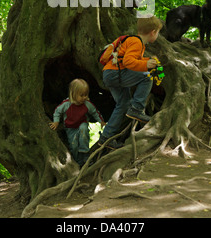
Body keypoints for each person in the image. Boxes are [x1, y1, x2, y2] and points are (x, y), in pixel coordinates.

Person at [98, 16, 163, 150]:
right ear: (153, 32)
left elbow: (130, 60)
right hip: (116, 74)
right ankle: (137, 108)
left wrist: (147, 60)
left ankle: (106, 137)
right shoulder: (136, 42)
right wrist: (146, 65)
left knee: (122, 103)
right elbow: (128, 62)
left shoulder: (136, 43)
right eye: (158, 32)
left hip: (111, 74)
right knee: (147, 76)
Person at [50, 78, 106, 166]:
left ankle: (85, 155)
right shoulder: (66, 104)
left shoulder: (87, 104)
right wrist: (56, 122)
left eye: (86, 95)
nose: (84, 97)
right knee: (74, 145)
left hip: (81, 124)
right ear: (73, 94)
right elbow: (57, 111)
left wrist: (101, 121)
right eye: (81, 95)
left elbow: (95, 112)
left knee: (83, 131)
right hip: (70, 128)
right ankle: (78, 161)